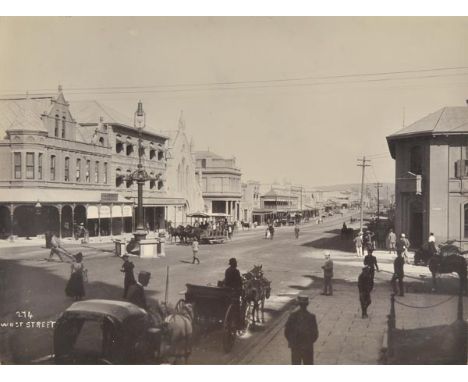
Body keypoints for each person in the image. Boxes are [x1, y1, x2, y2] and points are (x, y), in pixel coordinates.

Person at [284, 295, 319, 365]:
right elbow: (315, 334)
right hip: (307, 346)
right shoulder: (311, 317)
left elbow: (286, 331)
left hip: (295, 346)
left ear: (299, 304)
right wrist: (309, 342)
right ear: (307, 304)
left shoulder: (293, 316)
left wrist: (292, 341)